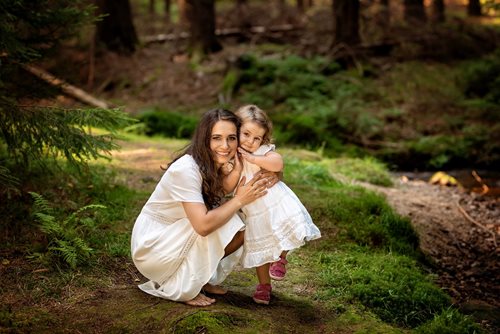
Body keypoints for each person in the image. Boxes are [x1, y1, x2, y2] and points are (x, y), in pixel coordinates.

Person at [131, 108, 277, 307]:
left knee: (246, 224)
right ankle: (184, 286)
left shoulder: (214, 162)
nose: (224, 146)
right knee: (229, 218)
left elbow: (223, 191)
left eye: (231, 138)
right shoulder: (186, 169)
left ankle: (200, 279)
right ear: (204, 138)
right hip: (153, 246)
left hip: (175, 234)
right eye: (216, 138)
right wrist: (239, 200)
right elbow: (202, 226)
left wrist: (269, 175)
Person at [223, 104, 321, 305]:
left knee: (283, 229)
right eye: (246, 134)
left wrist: (253, 158)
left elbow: (278, 163)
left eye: (256, 137)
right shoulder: (230, 155)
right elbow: (227, 186)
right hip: (254, 211)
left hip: (275, 202)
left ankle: (281, 258)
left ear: (263, 139)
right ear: (236, 129)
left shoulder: (263, 151)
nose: (251, 141)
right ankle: (264, 286)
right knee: (262, 247)